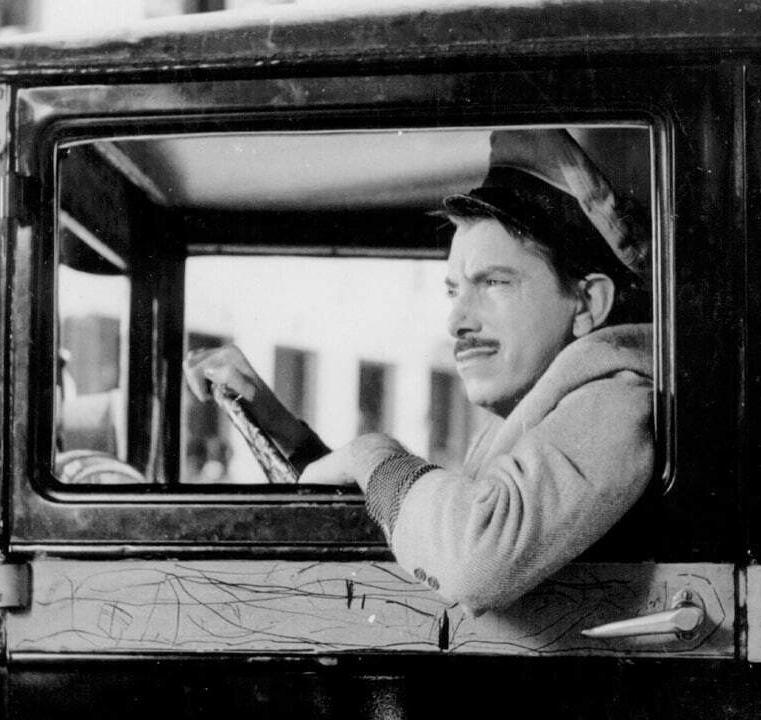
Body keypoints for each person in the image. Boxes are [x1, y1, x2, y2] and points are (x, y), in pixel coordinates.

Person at [183, 129, 653, 612]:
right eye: (454, 291)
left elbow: (472, 561)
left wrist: (370, 454)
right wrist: (279, 426)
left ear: (587, 303)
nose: (457, 322)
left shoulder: (616, 401)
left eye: (493, 282)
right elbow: (419, 527)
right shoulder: (542, 412)